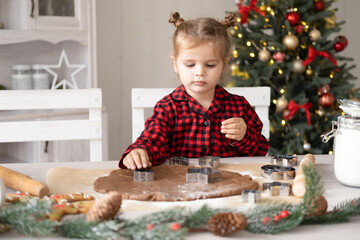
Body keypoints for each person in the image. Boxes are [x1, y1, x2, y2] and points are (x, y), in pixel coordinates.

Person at [119, 12, 269, 170]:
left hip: (229, 188)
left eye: (210, 65)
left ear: (224, 65)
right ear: (176, 64)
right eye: (190, 65)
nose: (200, 72)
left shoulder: (238, 106)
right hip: (181, 189)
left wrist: (245, 136)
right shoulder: (168, 108)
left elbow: (260, 151)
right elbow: (153, 139)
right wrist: (140, 151)